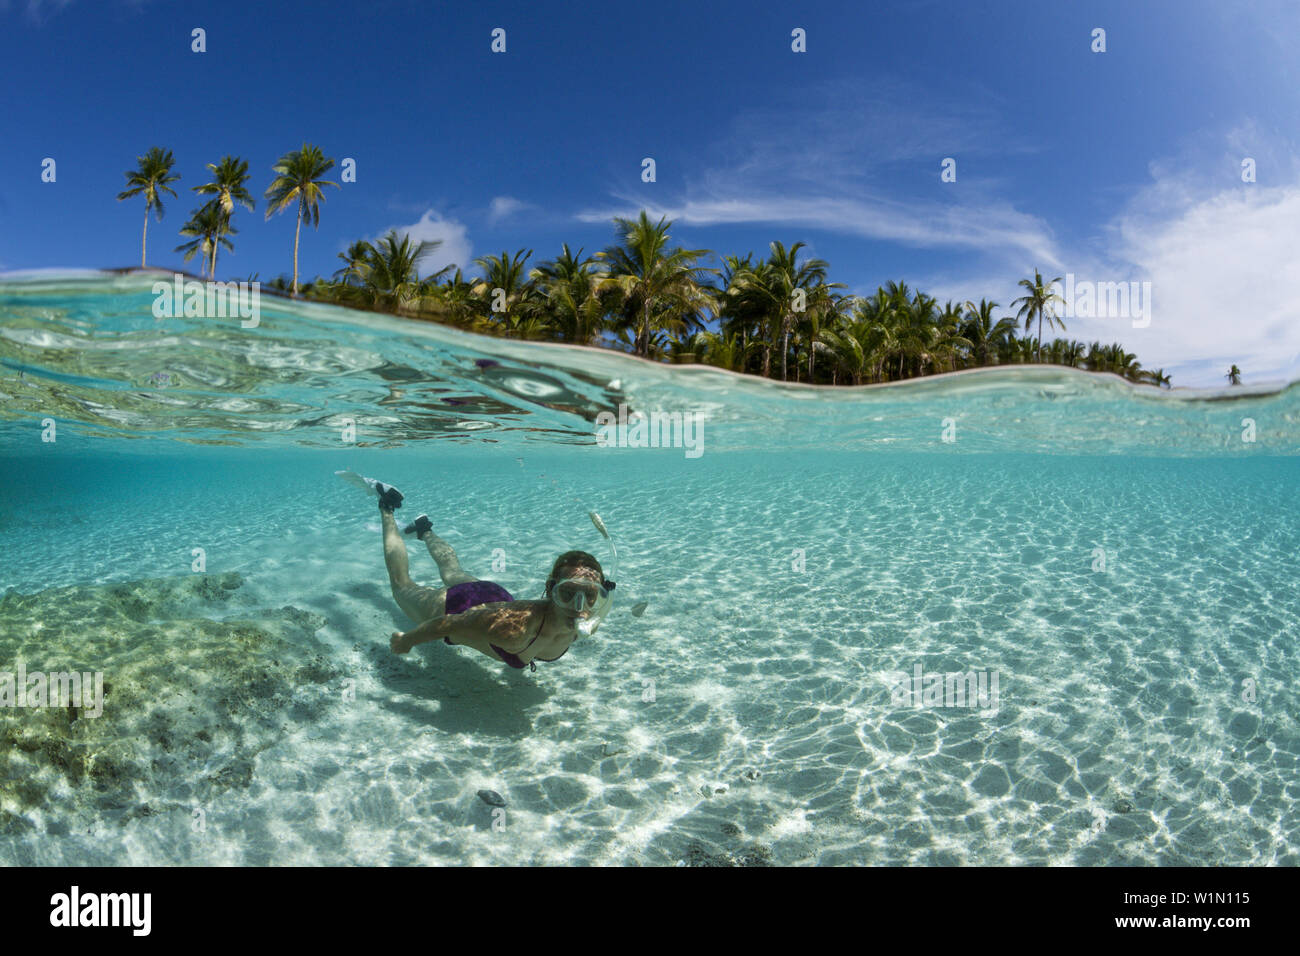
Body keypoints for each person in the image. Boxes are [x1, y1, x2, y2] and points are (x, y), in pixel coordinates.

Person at [371, 483, 613, 670]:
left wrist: (603, 593)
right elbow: (448, 623)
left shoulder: (590, 618)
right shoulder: (513, 631)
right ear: (551, 591)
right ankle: (387, 506)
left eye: (590, 595)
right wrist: (408, 640)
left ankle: (424, 530)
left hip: (495, 595)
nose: (578, 607)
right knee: (402, 585)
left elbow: (605, 599)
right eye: (568, 593)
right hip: (453, 607)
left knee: (451, 572)